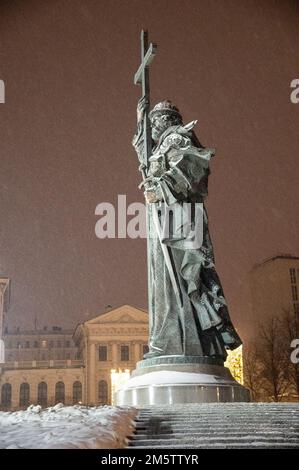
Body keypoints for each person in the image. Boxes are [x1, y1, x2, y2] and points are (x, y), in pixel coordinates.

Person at [133, 98, 242, 360]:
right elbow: (146, 158)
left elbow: (191, 170)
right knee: (166, 283)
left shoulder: (178, 139)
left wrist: (160, 189)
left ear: (166, 120)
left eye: (154, 121)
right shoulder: (164, 143)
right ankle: (170, 339)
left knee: (182, 281)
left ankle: (186, 342)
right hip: (166, 222)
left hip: (181, 222)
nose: (152, 127)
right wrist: (140, 121)